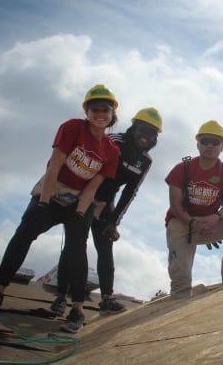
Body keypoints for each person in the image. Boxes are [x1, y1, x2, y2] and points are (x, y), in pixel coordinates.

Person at [0, 84, 120, 334]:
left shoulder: (111, 151)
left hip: (79, 200)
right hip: (53, 189)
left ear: (112, 115)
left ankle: (77, 310)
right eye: (95, 109)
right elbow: (54, 167)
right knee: (24, 234)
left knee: (76, 250)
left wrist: (80, 214)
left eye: (105, 110)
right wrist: (43, 203)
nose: (100, 114)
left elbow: (93, 187)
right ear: (87, 111)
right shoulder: (72, 127)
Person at [50, 107, 162, 316]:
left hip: (105, 203)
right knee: (75, 246)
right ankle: (60, 297)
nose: (146, 136)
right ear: (133, 127)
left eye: (152, 134)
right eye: (143, 130)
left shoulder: (145, 161)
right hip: (84, 196)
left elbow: (130, 192)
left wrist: (114, 221)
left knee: (105, 248)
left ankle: (107, 298)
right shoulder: (114, 141)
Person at [164, 120, 223, 299]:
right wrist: (193, 223)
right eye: (205, 141)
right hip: (182, 224)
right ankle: (179, 300)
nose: (210, 146)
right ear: (198, 144)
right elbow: (175, 205)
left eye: (215, 142)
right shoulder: (182, 169)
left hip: (210, 221)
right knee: (181, 281)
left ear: (222, 147)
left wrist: (215, 218)